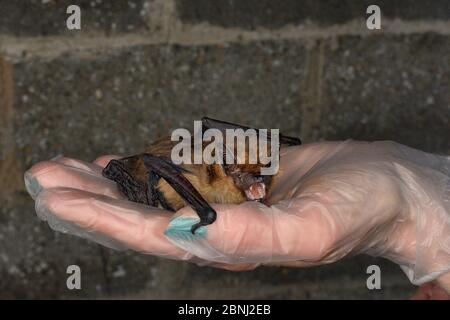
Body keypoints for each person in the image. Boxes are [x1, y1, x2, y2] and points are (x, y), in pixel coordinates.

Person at [24, 140, 450, 298]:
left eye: (258, 181)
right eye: (248, 183)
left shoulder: (249, 181)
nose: (258, 188)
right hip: (176, 175)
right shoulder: (216, 182)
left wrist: (416, 207)